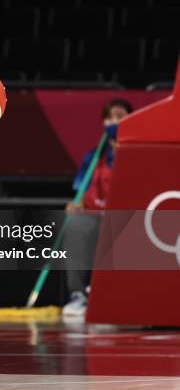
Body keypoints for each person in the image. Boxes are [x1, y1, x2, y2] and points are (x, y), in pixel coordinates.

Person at [63, 99, 133, 318]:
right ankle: (78, 295)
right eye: (110, 117)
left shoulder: (135, 152)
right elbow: (80, 194)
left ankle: (110, 292)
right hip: (94, 214)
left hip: (125, 215)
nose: (114, 121)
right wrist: (76, 204)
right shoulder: (93, 157)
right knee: (75, 223)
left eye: (120, 116)